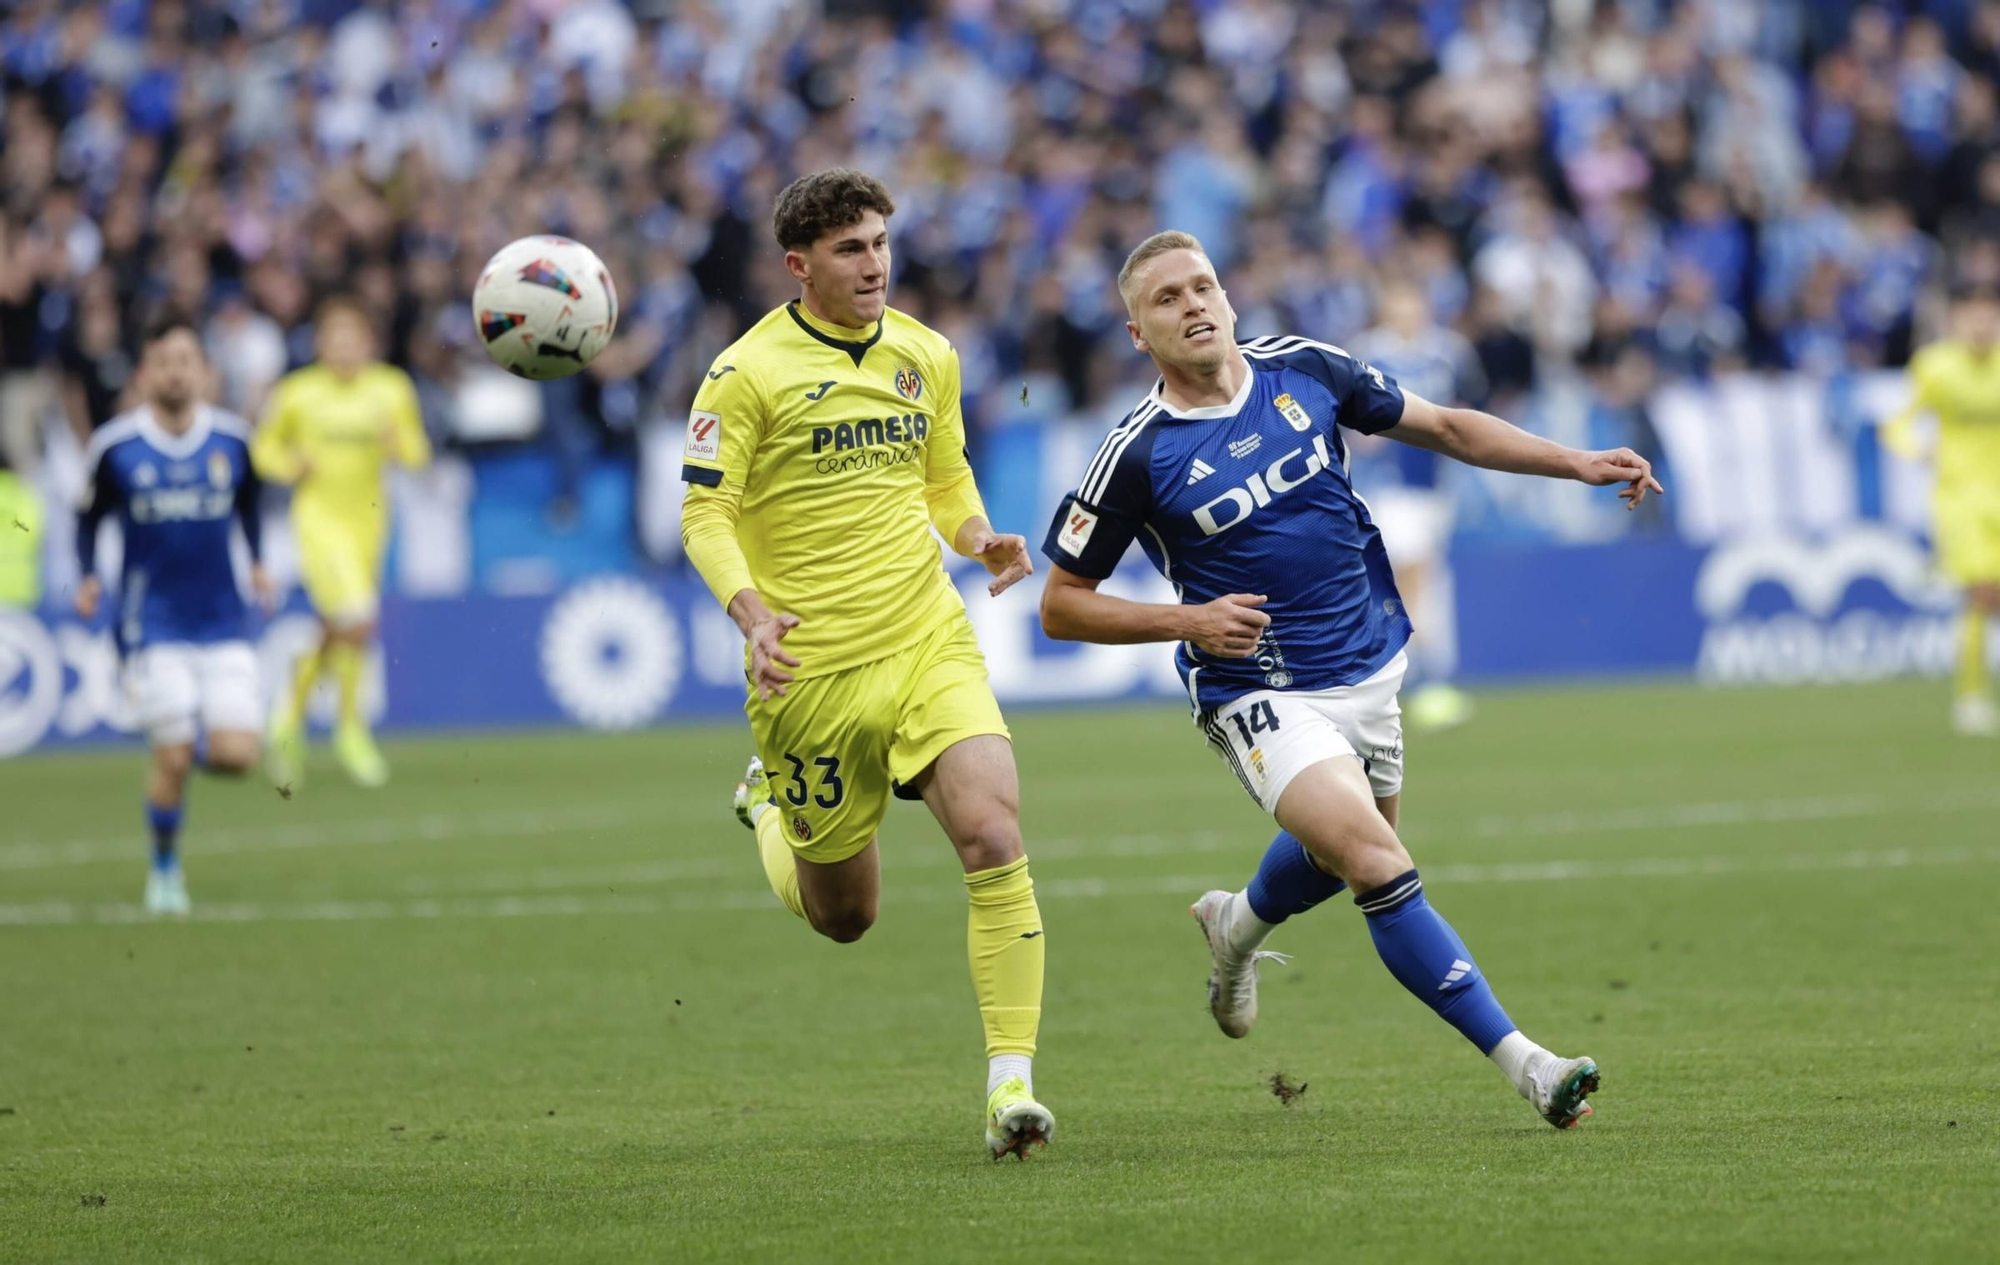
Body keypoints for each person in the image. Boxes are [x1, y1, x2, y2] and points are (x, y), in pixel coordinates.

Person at [1038, 231, 1663, 1130]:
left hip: (1368, 666)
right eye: (1167, 298)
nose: (1194, 305)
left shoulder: (1305, 370)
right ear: (1139, 334)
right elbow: (1062, 605)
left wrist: (1574, 461)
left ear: (1230, 297)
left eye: (1203, 285)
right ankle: (1531, 1065)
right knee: (1377, 860)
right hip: (1256, 687)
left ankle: (1236, 928)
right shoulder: (1137, 452)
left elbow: (1445, 426)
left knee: (1343, 862)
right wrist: (1188, 621)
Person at [679, 169, 1054, 1159]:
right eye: (851, 248)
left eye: (881, 241)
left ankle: (1008, 1082)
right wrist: (749, 608)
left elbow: (940, 473)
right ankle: (766, 800)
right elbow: (704, 510)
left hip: (925, 633)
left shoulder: (925, 353)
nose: (875, 262)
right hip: (808, 670)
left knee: (990, 827)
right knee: (845, 915)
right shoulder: (743, 373)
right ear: (798, 264)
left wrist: (976, 536)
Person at [74, 311, 271, 915]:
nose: (176, 373)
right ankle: (164, 869)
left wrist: (259, 562)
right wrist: (86, 573)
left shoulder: (233, 441)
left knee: (238, 757)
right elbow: (87, 517)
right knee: (175, 755)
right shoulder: (116, 448)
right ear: (144, 373)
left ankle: (181, 741)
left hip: (223, 620)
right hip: (150, 622)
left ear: (205, 372)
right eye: (164, 363)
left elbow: (250, 506)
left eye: (186, 361)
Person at [253, 297, 431, 789]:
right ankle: (349, 728)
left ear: (369, 344)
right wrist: (291, 466)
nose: (346, 349)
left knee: (344, 625)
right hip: (318, 519)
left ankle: (288, 721)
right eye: (336, 340)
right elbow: (263, 447)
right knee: (355, 612)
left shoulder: (391, 388)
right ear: (321, 345)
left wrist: (399, 445)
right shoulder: (298, 393)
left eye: (355, 340)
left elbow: (419, 453)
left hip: (369, 522)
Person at [1350, 279, 1486, 731]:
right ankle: (1420, 672)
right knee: (1413, 571)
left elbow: (1468, 407)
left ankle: (1412, 671)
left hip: (1434, 486)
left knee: (1425, 577)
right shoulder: (1366, 354)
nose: (1408, 314)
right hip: (1388, 486)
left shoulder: (1448, 352)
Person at [1883, 282, 2000, 737]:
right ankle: (1970, 699)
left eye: (1989, 316)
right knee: (1981, 591)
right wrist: (1919, 450)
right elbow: (1896, 423)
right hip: (1960, 498)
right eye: (1973, 315)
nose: (1982, 324)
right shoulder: (1937, 367)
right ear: (1956, 320)